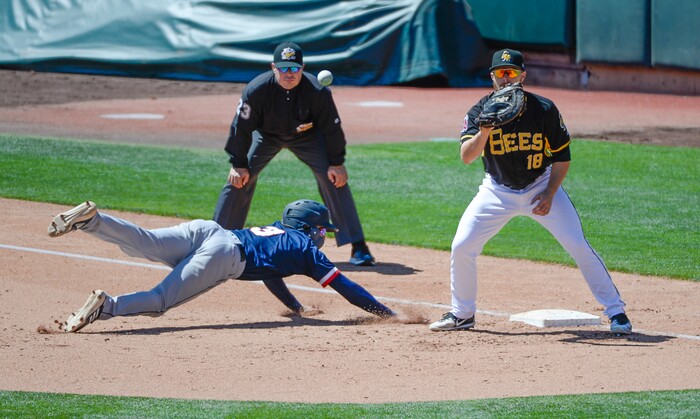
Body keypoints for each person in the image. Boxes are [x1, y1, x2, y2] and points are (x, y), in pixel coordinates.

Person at [429, 49, 632, 335]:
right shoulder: (479, 111)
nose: (506, 77)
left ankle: (616, 312)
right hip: (497, 191)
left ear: (523, 75)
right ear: (492, 77)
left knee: (578, 245)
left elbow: (563, 158)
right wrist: (484, 131)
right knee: (462, 246)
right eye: (501, 73)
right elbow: (466, 156)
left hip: (540, 185)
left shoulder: (544, 109)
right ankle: (462, 314)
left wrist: (549, 193)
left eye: (512, 72)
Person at [48, 200, 395, 333]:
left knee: (147, 241)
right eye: (322, 229)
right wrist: (384, 313)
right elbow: (346, 287)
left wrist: (296, 307)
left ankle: (93, 220)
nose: (324, 236)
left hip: (209, 231)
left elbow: (272, 275)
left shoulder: (277, 232)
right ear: (309, 228)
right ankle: (107, 307)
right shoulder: (306, 249)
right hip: (224, 255)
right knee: (159, 301)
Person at [212, 41, 375, 266]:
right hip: (266, 136)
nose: (289, 73)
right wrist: (238, 163)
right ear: (273, 67)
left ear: (303, 68)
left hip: (307, 136)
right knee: (239, 179)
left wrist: (337, 163)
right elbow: (240, 128)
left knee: (334, 179)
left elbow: (332, 128)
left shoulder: (317, 91)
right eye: (284, 68)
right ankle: (217, 241)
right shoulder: (256, 89)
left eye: (294, 68)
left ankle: (358, 246)